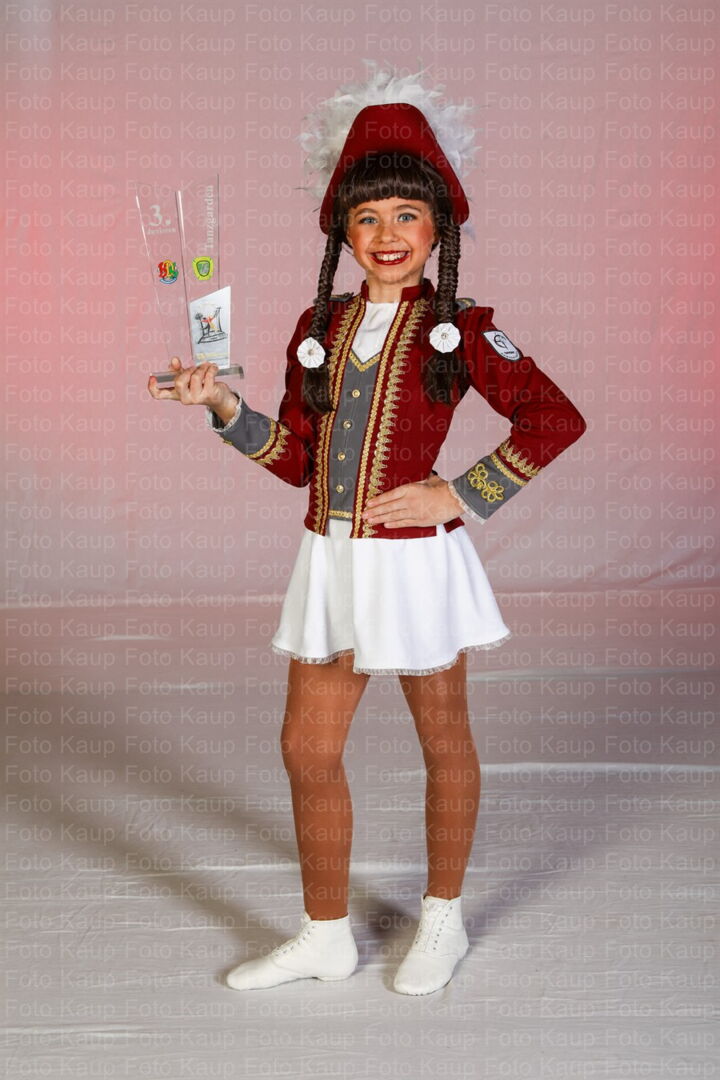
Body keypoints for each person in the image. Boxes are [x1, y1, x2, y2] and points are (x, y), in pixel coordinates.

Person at [147, 80, 586, 996]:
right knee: (307, 749)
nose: (388, 234)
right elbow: (297, 463)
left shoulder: (462, 330)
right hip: (332, 562)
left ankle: (443, 918)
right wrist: (223, 404)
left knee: (444, 740)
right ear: (343, 233)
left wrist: (458, 492)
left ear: (438, 228)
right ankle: (324, 935)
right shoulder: (321, 328)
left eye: (407, 215)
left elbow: (556, 418)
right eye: (369, 217)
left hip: (417, 568)